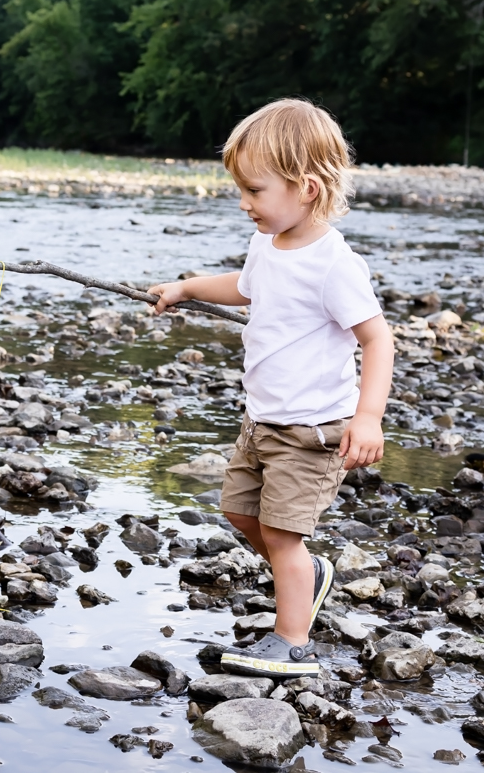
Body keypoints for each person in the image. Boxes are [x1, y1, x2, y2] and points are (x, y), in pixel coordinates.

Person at [149, 99, 394, 677]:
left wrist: (368, 418)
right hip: (261, 421)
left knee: (283, 535)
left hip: (310, 430)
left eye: (254, 191)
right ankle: (306, 579)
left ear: (306, 188)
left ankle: (293, 643)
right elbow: (246, 286)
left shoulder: (335, 265)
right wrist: (189, 289)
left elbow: (378, 340)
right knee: (239, 513)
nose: (244, 203)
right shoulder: (268, 242)